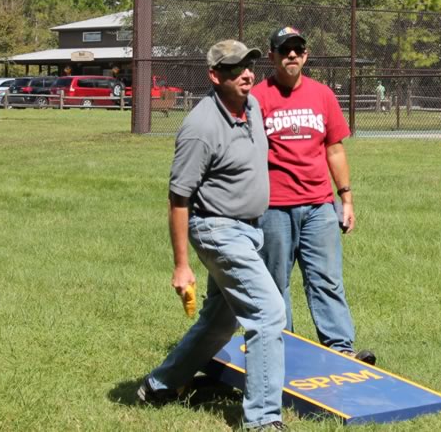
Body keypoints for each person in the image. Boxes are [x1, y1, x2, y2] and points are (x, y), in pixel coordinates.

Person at [138, 39, 288, 431]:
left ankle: (159, 386)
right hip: (217, 230)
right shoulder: (201, 128)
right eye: (235, 68)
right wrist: (181, 266)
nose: (246, 74)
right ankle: (263, 420)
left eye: (249, 66)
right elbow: (178, 199)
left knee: (220, 322)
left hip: (250, 229)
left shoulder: (252, 107)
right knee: (269, 314)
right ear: (215, 75)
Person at [251, 26, 376, 365]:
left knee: (327, 280)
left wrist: (346, 199)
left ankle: (341, 349)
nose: (292, 54)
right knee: (275, 283)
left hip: (320, 206)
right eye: (284, 49)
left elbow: (334, 149)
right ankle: (282, 349)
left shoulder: (322, 95)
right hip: (273, 207)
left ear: (306, 55)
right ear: (272, 56)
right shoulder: (257, 98)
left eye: (298, 49)